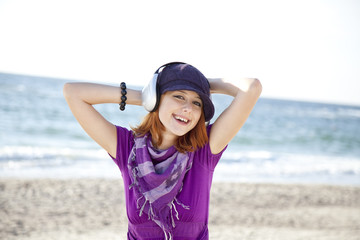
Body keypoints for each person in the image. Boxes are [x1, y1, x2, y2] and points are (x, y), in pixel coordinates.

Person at [63, 62, 262, 240]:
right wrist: (147, 97)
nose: (187, 108)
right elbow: (73, 93)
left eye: (197, 102)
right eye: (179, 96)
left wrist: (204, 83)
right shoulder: (126, 148)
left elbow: (251, 88)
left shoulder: (204, 150)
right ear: (157, 98)